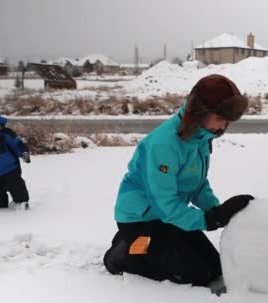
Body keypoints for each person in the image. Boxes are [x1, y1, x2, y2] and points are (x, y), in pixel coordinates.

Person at [103, 74, 254, 291]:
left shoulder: (201, 137)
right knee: (196, 275)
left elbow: (197, 184)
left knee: (215, 268)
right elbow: (164, 204)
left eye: (228, 120)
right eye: (220, 118)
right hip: (141, 219)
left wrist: (217, 210)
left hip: (168, 218)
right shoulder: (164, 144)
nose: (224, 126)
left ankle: (150, 247)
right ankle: (124, 253)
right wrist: (211, 219)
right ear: (200, 111)